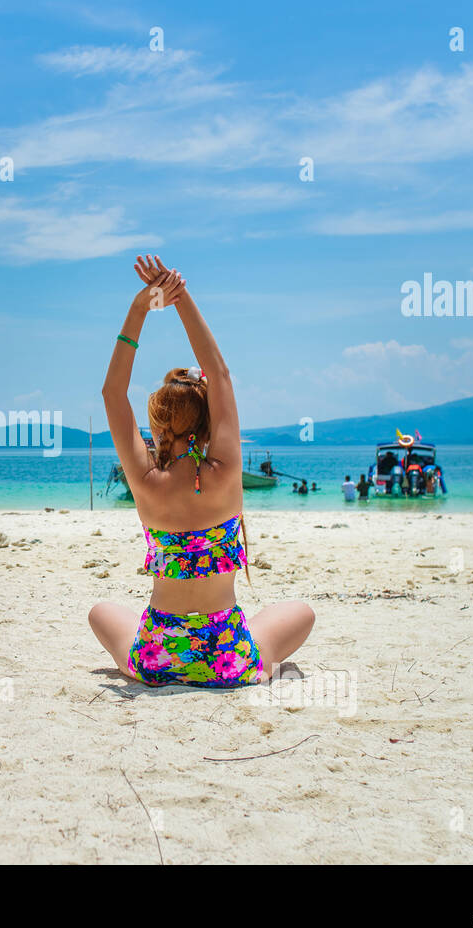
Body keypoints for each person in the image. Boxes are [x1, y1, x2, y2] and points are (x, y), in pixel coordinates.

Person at [88, 254, 314, 688]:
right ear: (209, 425)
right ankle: (247, 662)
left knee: (101, 611)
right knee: (301, 612)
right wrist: (180, 295)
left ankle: (156, 654)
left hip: (158, 656)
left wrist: (140, 309)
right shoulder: (227, 469)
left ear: (157, 426)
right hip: (226, 658)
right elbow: (221, 374)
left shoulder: (145, 480)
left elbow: (112, 392)